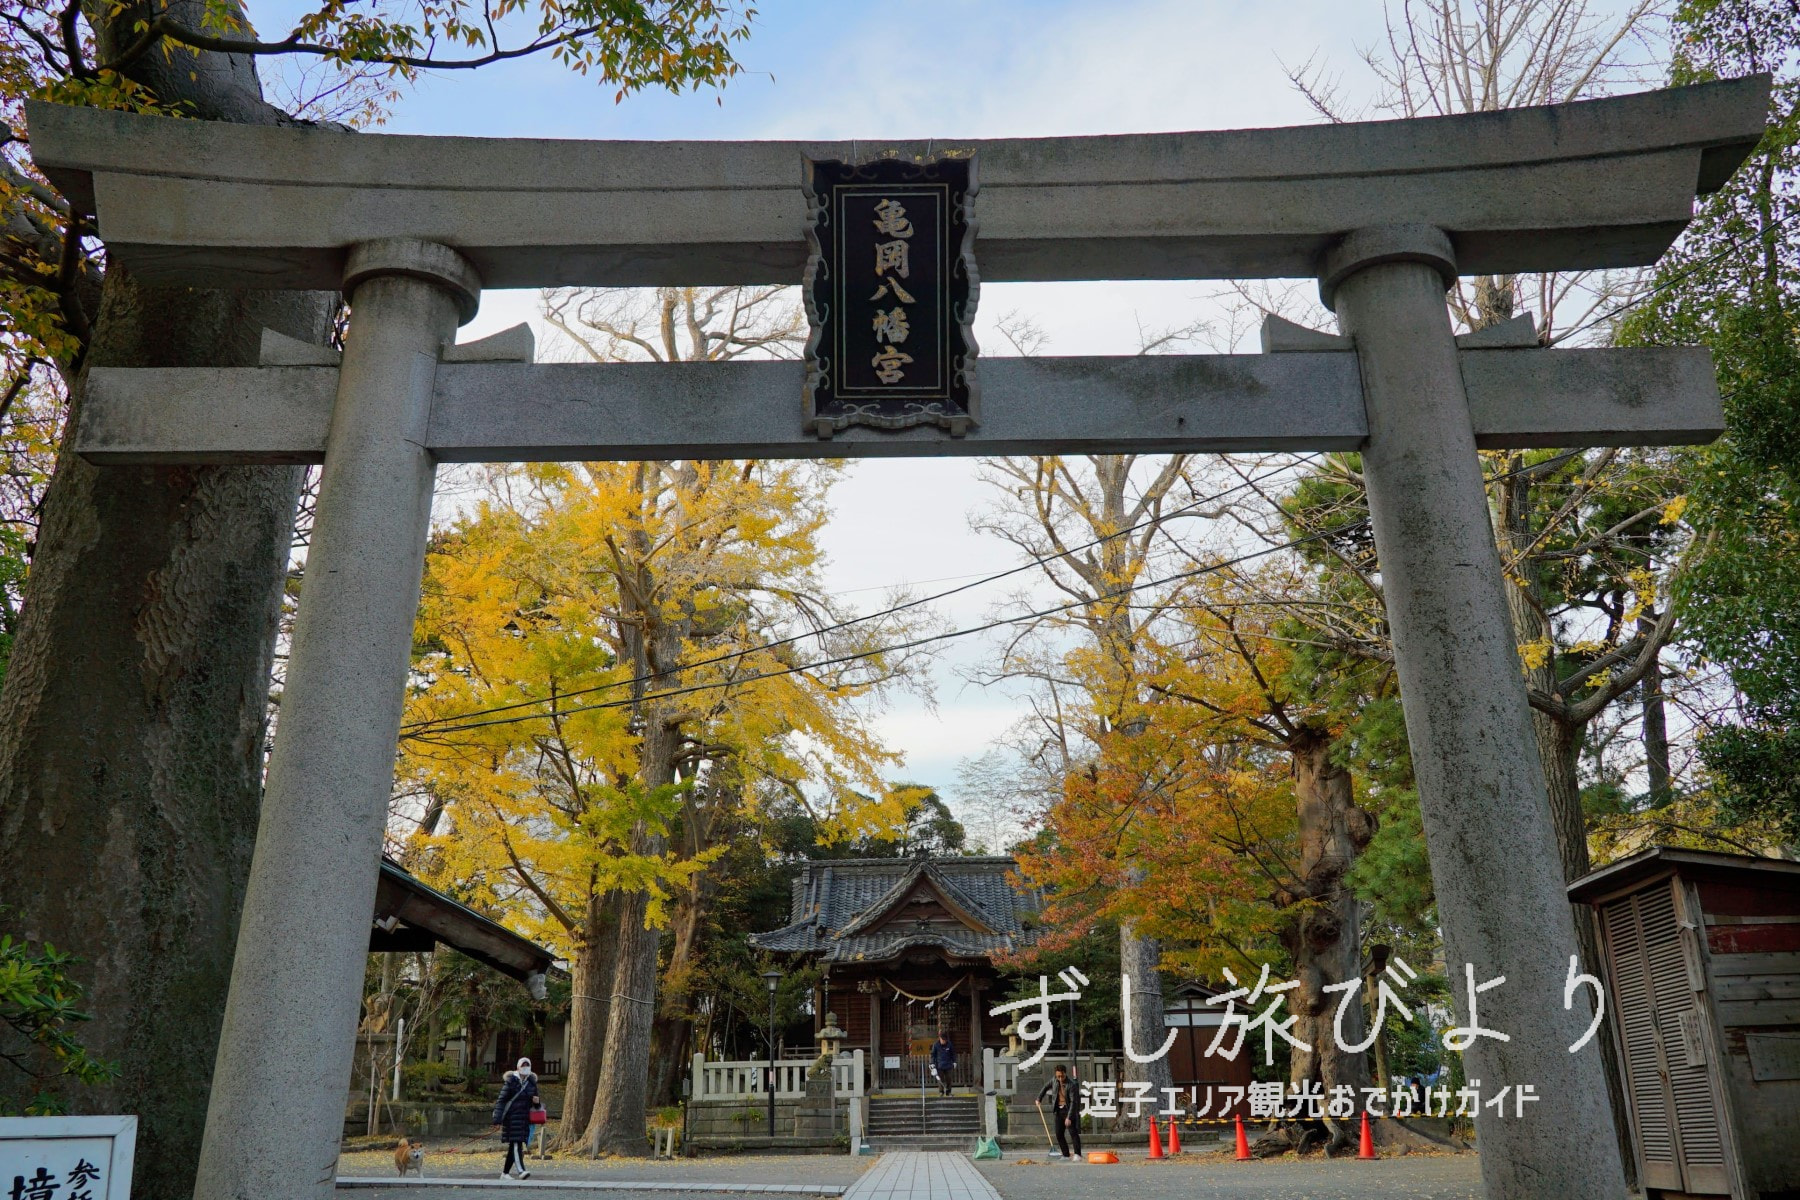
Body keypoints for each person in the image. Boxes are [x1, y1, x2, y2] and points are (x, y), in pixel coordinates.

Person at [492, 1056, 539, 1180]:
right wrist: (497, 1120)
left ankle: (505, 1173)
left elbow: (536, 1104)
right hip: (511, 1118)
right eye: (523, 1065)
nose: (525, 1068)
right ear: (518, 1067)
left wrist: (537, 1102)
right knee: (516, 1144)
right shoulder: (511, 1081)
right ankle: (521, 1171)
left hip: (524, 1119)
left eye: (527, 1065)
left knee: (514, 1146)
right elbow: (501, 1101)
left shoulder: (532, 1083)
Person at [1035, 1064, 1083, 1160]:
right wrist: (1039, 1098)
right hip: (1058, 1110)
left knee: (1073, 1132)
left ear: (1065, 1073)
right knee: (1059, 1133)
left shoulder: (1071, 1085)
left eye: (1062, 1076)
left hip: (1068, 1109)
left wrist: (1069, 1117)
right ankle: (1065, 1154)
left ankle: (1078, 1154)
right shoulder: (1054, 1080)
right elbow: (1045, 1087)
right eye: (1058, 1076)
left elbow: (1074, 1102)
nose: (1060, 1078)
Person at [930, 1031, 956, 1097]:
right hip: (939, 1065)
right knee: (940, 1079)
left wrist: (954, 1061)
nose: (943, 1041)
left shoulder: (949, 1044)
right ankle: (941, 1092)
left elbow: (953, 1054)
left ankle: (949, 1092)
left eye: (945, 1040)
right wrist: (932, 1063)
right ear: (940, 1038)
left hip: (948, 1065)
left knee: (949, 1079)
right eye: (942, 1040)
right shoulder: (935, 1045)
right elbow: (933, 1055)